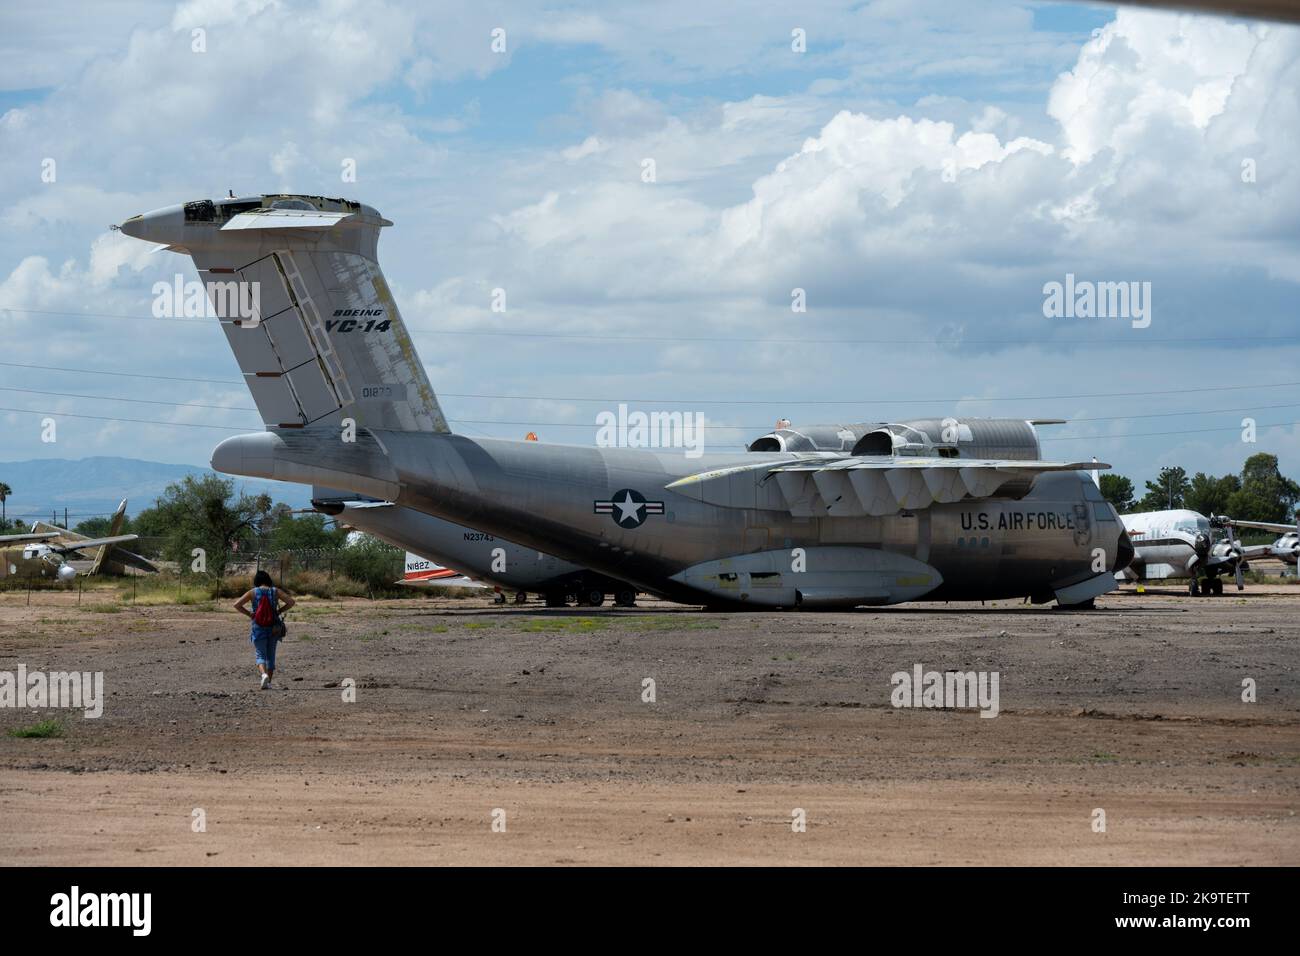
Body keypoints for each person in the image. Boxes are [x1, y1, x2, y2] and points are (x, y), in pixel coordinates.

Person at [234, 570, 295, 690]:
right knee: (271, 655)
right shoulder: (275, 591)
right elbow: (291, 602)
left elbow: (237, 605)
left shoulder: (253, 592)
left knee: (260, 654)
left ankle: (263, 675)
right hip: (274, 627)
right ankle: (269, 683)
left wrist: (250, 614)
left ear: (256, 581)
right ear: (268, 580)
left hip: (258, 626)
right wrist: (279, 611)